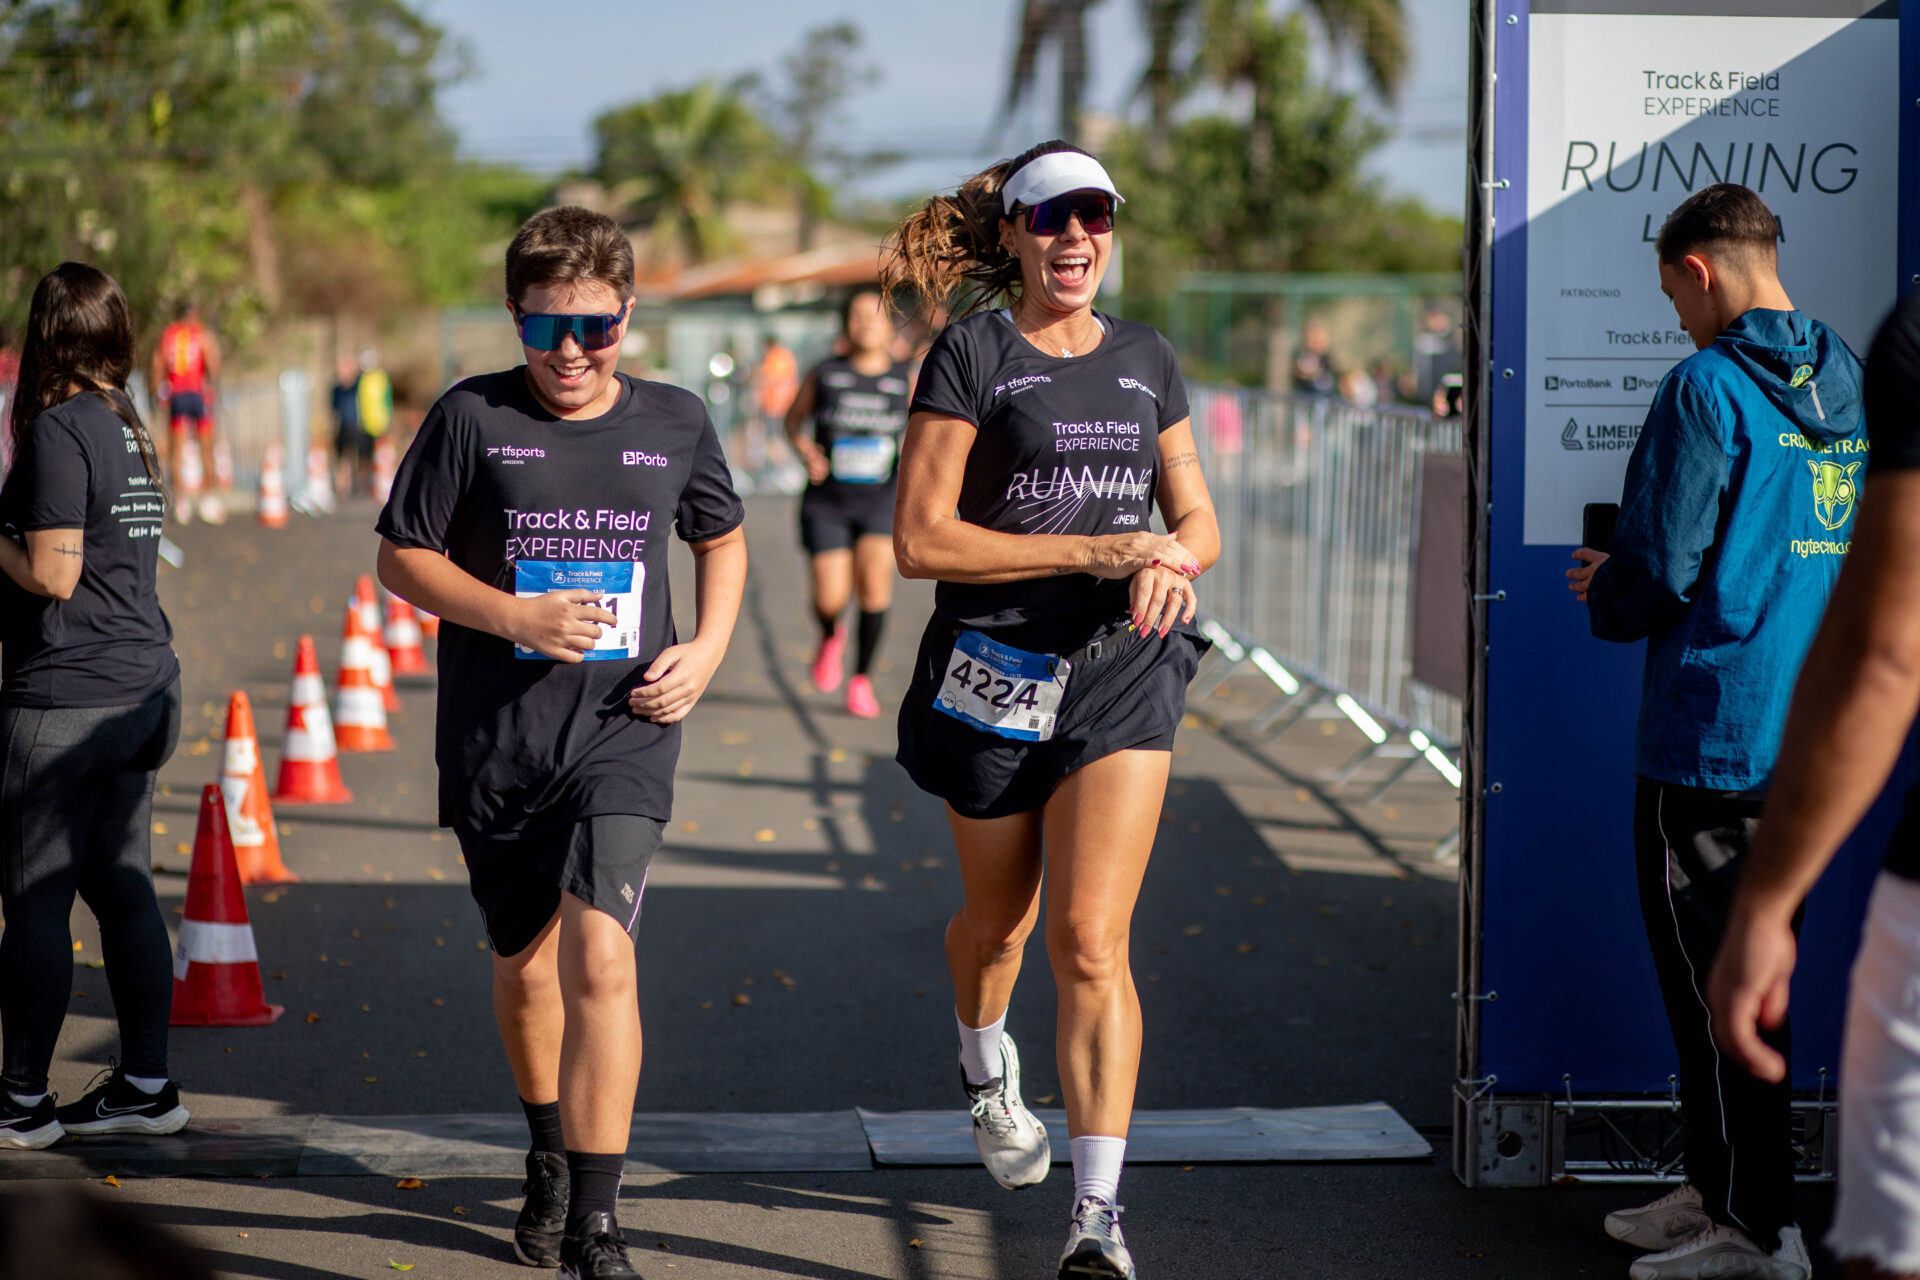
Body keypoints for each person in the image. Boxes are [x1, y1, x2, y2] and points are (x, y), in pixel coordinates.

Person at [376, 207, 747, 1280]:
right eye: (546, 332)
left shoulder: (676, 419)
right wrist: (514, 616)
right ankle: (546, 1147)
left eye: (594, 328)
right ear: (515, 320)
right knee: (527, 970)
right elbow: (403, 557)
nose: (572, 353)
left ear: (628, 316)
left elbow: (719, 533)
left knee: (602, 956)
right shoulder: (469, 418)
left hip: (623, 731)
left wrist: (710, 649)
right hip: (497, 740)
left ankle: (597, 1221)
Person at [883, 139, 1219, 1280]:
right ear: (1017, 235)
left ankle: (1096, 1216)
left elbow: (1198, 518)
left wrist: (1171, 560)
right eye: (1053, 219)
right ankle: (984, 1066)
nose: (1078, 238)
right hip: (993, 665)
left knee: (1089, 938)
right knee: (1002, 927)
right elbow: (922, 538)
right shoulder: (974, 351)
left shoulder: (1145, 356)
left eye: (1098, 217)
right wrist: (1098, 544)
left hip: (1123, 664)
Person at [1566, 183, 1865, 1280]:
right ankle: (1717, 1186)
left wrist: (1610, 588)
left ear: (1698, 269)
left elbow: (1660, 566)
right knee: (1735, 977)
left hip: (1710, 735)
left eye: (1673, 299)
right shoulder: (1848, 373)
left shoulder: (1702, 387)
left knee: (1722, 986)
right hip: (1813, 727)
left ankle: (1760, 1229)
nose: (1677, 323)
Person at [1707, 287, 1920, 1280]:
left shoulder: (1912, 332)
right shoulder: (1846, 361)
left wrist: (1767, 905)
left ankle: (1745, 1211)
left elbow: (1886, 655)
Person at [0, 263, 187, 1150]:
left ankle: (22, 1102)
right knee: (120, 887)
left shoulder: (62, 428)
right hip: (142, 689)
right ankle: (147, 1084)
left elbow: (52, 573)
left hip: (70, 697)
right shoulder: (129, 425)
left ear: (46, 335)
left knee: (35, 897)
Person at [784, 291, 913, 718]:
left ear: (890, 325)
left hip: (881, 499)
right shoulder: (825, 373)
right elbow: (792, 421)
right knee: (829, 597)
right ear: (845, 325)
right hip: (829, 502)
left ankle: (861, 680)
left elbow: (927, 434)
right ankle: (829, 635)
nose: (865, 323)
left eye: (874, 316)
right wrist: (806, 451)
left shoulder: (905, 378)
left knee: (875, 589)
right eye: (856, 316)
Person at [149, 302, 223, 524]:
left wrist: (157, 392)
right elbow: (212, 362)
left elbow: (158, 365)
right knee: (206, 448)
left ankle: (181, 503)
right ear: (196, 314)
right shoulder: (202, 334)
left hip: (177, 395)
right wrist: (212, 387)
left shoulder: (169, 334)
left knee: (177, 450)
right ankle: (206, 499)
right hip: (197, 394)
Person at [331, 351, 369, 498]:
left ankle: (362, 484)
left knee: (362, 457)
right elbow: (334, 409)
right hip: (344, 426)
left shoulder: (360, 385)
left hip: (359, 425)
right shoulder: (336, 389)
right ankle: (343, 487)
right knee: (343, 457)